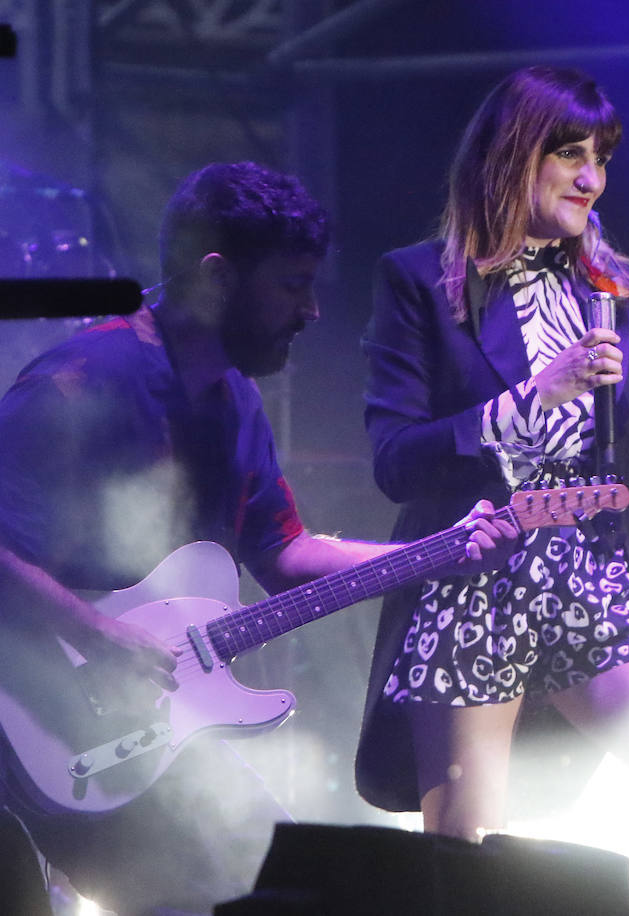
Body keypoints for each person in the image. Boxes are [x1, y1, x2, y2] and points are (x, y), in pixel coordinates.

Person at [0, 161, 515, 915]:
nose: (311, 311)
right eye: (292, 285)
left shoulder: (232, 400)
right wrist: (101, 637)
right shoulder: (83, 381)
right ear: (215, 276)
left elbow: (283, 553)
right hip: (37, 728)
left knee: (293, 885)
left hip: (147, 732)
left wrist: (434, 553)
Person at [353, 66, 629, 916]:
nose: (591, 177)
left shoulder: (628, 296)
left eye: (601, 157)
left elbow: (623, 467)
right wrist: (531, 398)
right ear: (511, 155)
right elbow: (395, 461)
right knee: (466, 852)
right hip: (471, 574)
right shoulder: (421, 282)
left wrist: (613, 573)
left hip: (588, 574)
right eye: (569, 153)